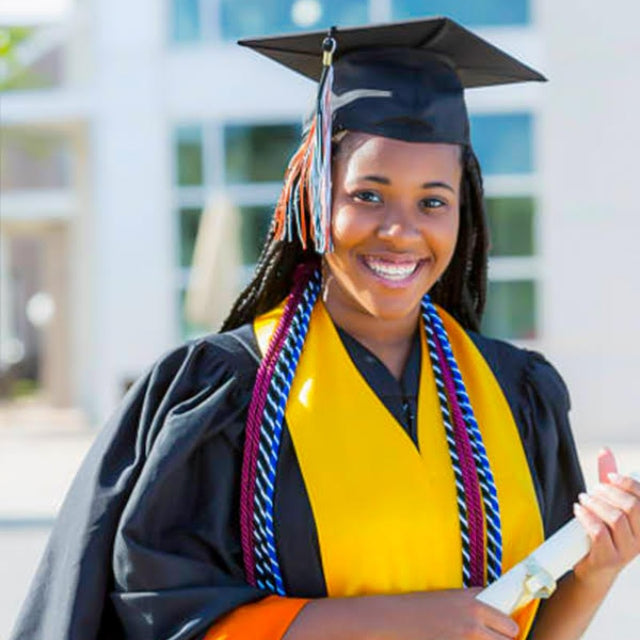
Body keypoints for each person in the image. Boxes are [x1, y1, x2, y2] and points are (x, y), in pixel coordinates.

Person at [11, 17, 640, 640]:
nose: (400, 230)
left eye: (433, 201)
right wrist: (403, 621)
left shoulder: (516, 393)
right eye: (368, 195)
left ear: (463, 210)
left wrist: (593, 574)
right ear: (314, 197)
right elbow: (163, 619)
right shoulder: (226, 395)